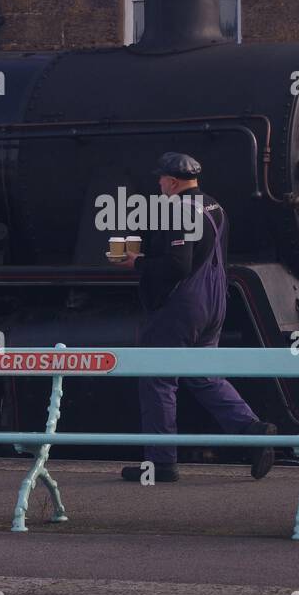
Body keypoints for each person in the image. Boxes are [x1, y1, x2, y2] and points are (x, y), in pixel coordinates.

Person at [110, 152, 277, 483]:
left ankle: (160, 463)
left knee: (157, 378)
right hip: (214, 301)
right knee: (203, 375)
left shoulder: (175, 210)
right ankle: (253, 431)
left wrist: (137, 264)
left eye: (161, 179)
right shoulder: (214, 206)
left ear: (172, 182)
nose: (158, 183)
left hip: (182, 307)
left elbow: (177, 265)